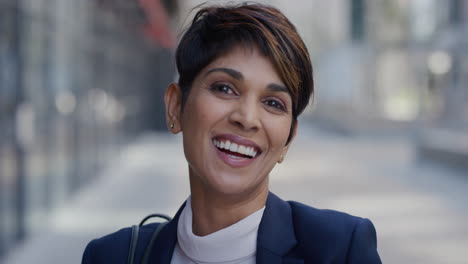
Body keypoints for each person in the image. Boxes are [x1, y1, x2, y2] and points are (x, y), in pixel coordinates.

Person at [82, 3, 382, 264]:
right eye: (224, 88)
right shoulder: (112, 256)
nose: (247, 118)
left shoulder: (339, 250)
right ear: (175, 106)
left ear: (288, 139)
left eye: (273, 103)